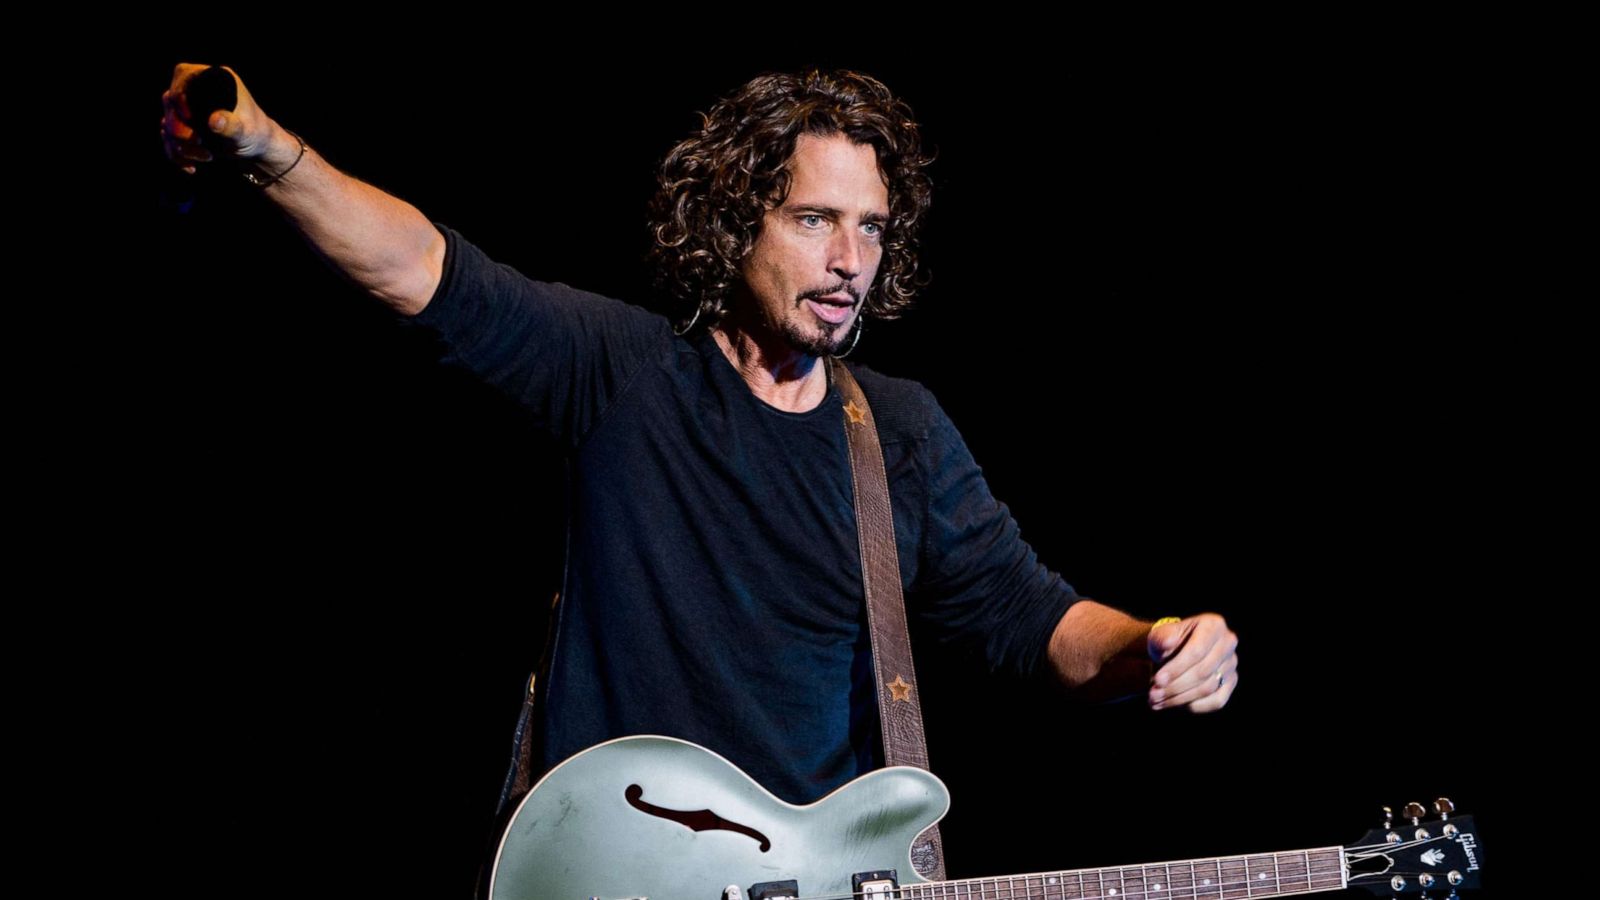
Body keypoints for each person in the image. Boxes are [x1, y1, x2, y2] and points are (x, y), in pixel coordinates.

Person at [160, 61, 1239, 882]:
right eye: (815, 219)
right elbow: (424, 272)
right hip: (619, 873)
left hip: (814, 878)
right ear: (735, 226)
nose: (849, 258)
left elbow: (1031, 616)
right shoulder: (625, 374)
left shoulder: (898, 434)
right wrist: (267, 149)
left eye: (868, 227)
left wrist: (1149, 641)